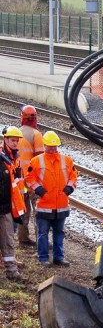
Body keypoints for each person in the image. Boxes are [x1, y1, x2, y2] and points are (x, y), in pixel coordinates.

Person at [25, 130, 78, 268]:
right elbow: (29, 178)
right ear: (44, 145)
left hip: (61, 204)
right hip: (44, 204)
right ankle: (43, 258)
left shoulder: (66, 160)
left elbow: (74, 176)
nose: (53, 149)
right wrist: (39, 190)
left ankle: (58, 258)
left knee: (59, 232)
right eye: (50, 146)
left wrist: (69, 189)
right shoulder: (36, 161)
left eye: (55, 146)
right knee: (43, 233)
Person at [0, 127, 26, 280]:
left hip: (7, 208)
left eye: (17, 140)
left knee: (8, 240)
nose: (15, 143)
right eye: (13, 140)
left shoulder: (15, 159)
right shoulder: (3, 159)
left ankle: (12, 271)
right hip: (5, 206)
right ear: (6, 140)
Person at [17, 104, 44, 247]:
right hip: (32, 179)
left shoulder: (15, 134)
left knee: (23, 209)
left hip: (18, 180)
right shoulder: (36, 135)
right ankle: (41, 239)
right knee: (38, 210)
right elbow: (40, 159)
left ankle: (23, 239)